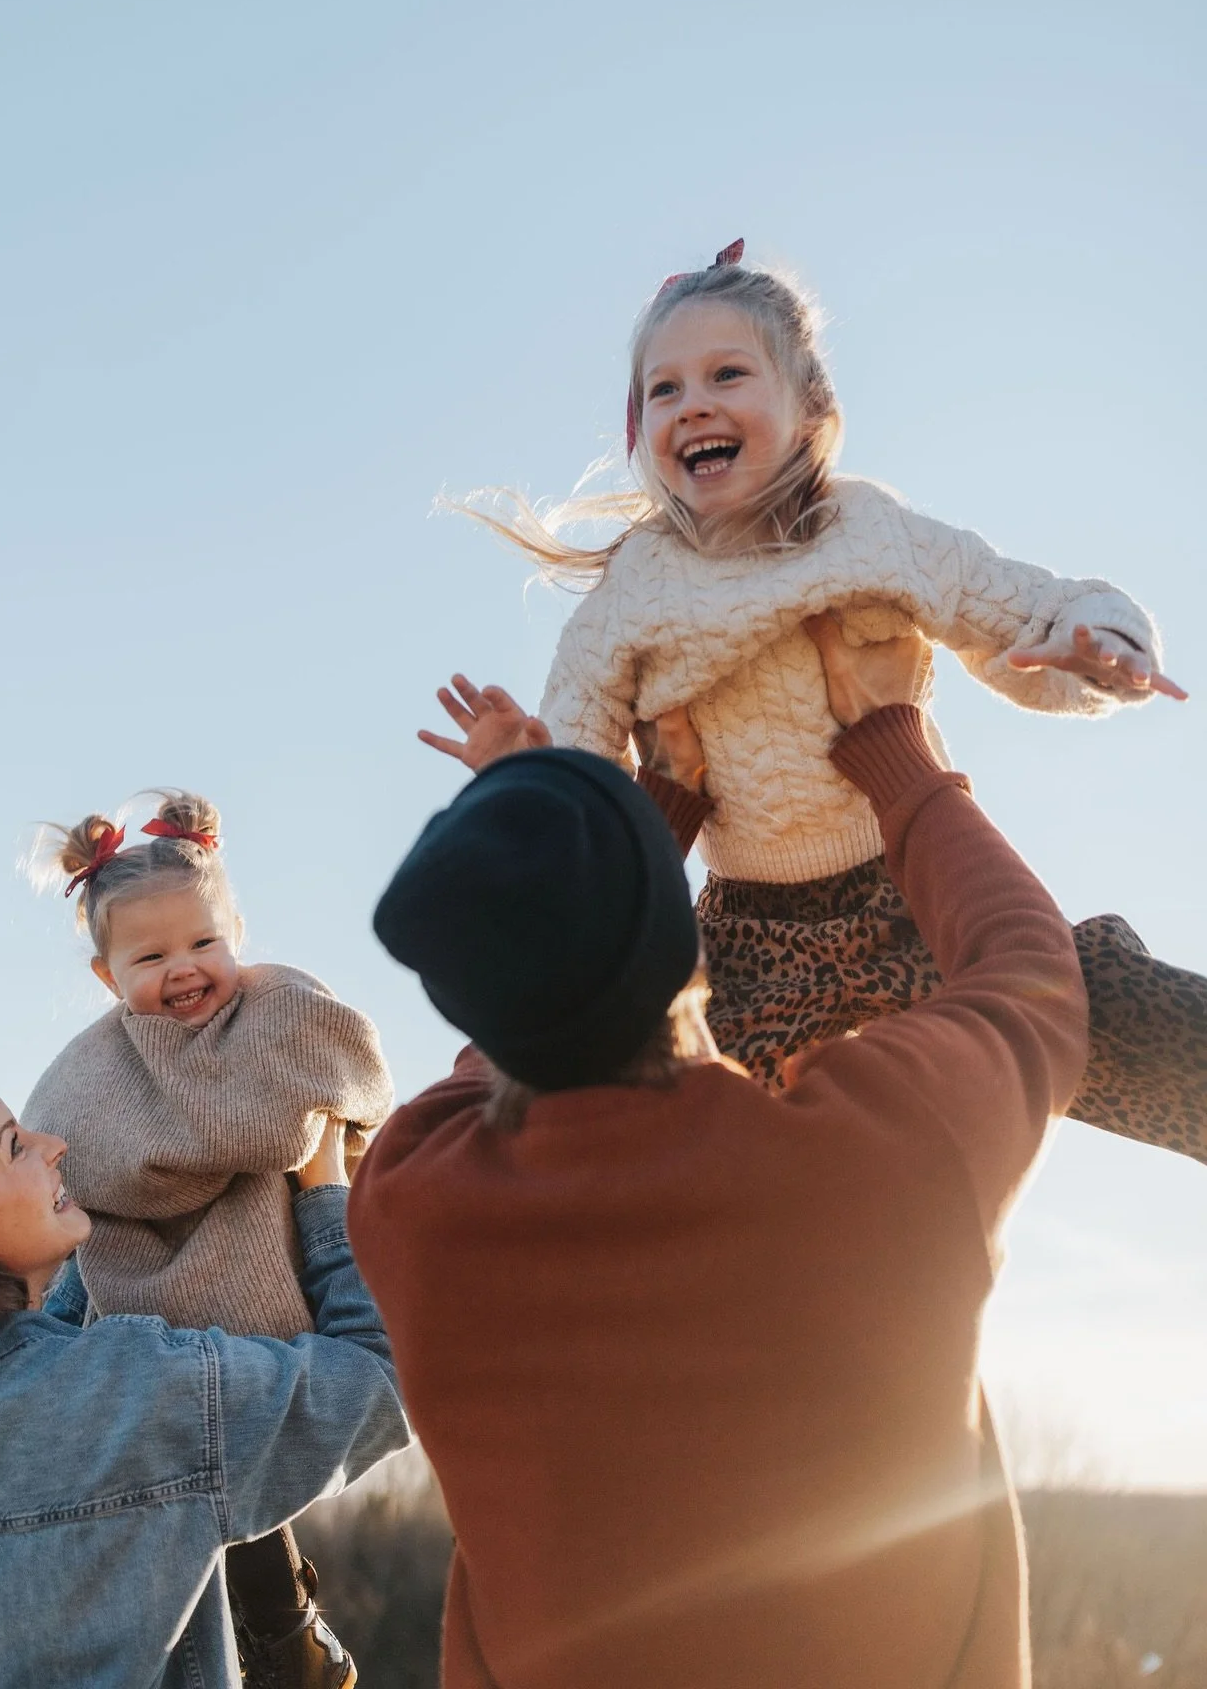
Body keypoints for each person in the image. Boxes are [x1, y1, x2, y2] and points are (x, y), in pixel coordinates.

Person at [350, 621, 1087, 1688]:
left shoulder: (410, 1201)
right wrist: (897, 750)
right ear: (687, 938)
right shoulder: (877, 1158)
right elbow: (1031, 975)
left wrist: (587, 827)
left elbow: (513, 1013)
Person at [460, 239, 1207, 1161]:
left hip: (914, 887)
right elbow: (582, 798)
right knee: (640, 1135)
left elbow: (1024, 606)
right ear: (641, 434)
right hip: (746, 936)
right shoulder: (629, 599)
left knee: (1120, 1014)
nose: (693, 402)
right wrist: (519, 776)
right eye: (664, 390)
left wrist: (1098, 645)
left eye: (727, 374)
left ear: (809, 409)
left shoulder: (873, 534)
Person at [0, 1068, 407, 1689]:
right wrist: (326, 1190)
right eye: (14, 1145)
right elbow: (379, 1377)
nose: (55, 1146)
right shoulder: (139, 1394)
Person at [21, 788, 395, 1683]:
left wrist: (321, 1152)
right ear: (110, 978)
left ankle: (278, 1626)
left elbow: (350, 1083)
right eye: (150, 956)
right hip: (139, 1289)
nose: (184, 969)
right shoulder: (94, 1077)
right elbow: (74, 1163)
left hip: (279, 1256)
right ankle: (270, 1631)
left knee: (231, 1450)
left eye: (204, 943)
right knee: (175, 1451)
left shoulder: (281, 1013)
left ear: (237, 935)